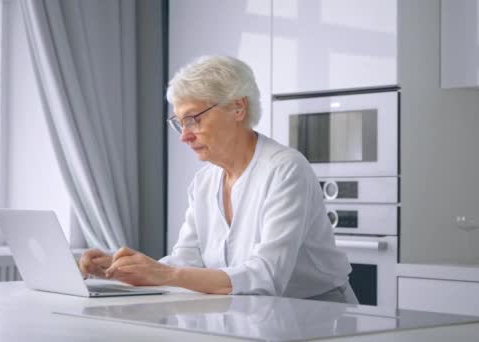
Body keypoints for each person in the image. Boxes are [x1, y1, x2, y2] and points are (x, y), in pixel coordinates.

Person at [79, 55, 358, 303]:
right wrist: (120, 270)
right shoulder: (204, 181)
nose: (184, 136)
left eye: (193, 119)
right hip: (254, 312)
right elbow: (187, 260)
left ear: (237, 108)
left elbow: (266, 276)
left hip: (318, 314)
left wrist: (163, 273)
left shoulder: (285, 169)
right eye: (179, 122)